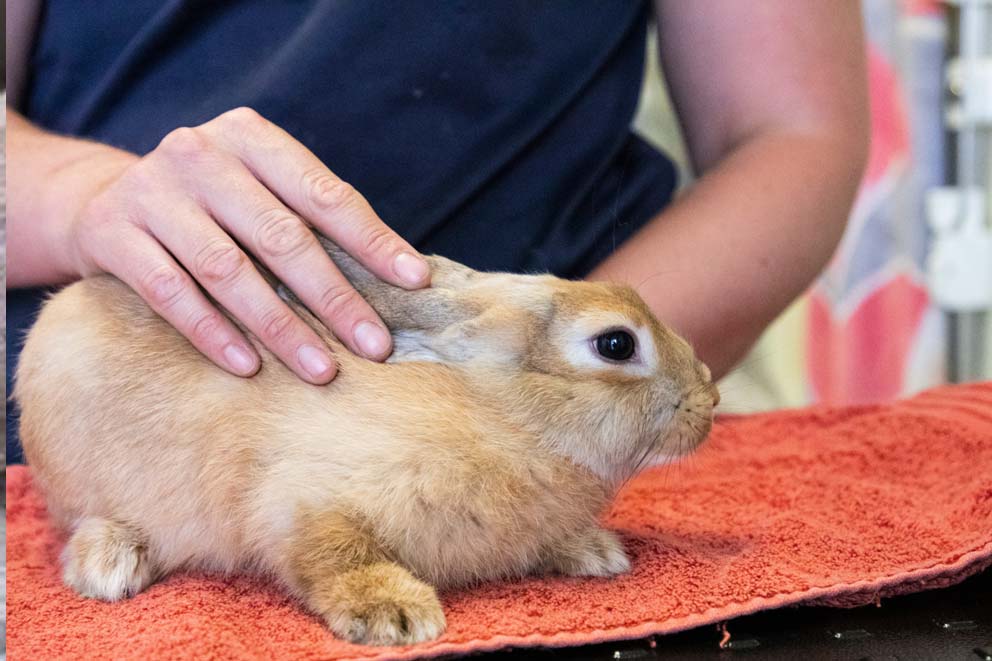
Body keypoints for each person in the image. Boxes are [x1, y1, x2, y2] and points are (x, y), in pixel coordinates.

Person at [6, 2, 869, 459]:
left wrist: (544, 406)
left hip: (523, 442)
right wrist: (89, 197)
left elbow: (792, 133)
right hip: (122, 433)